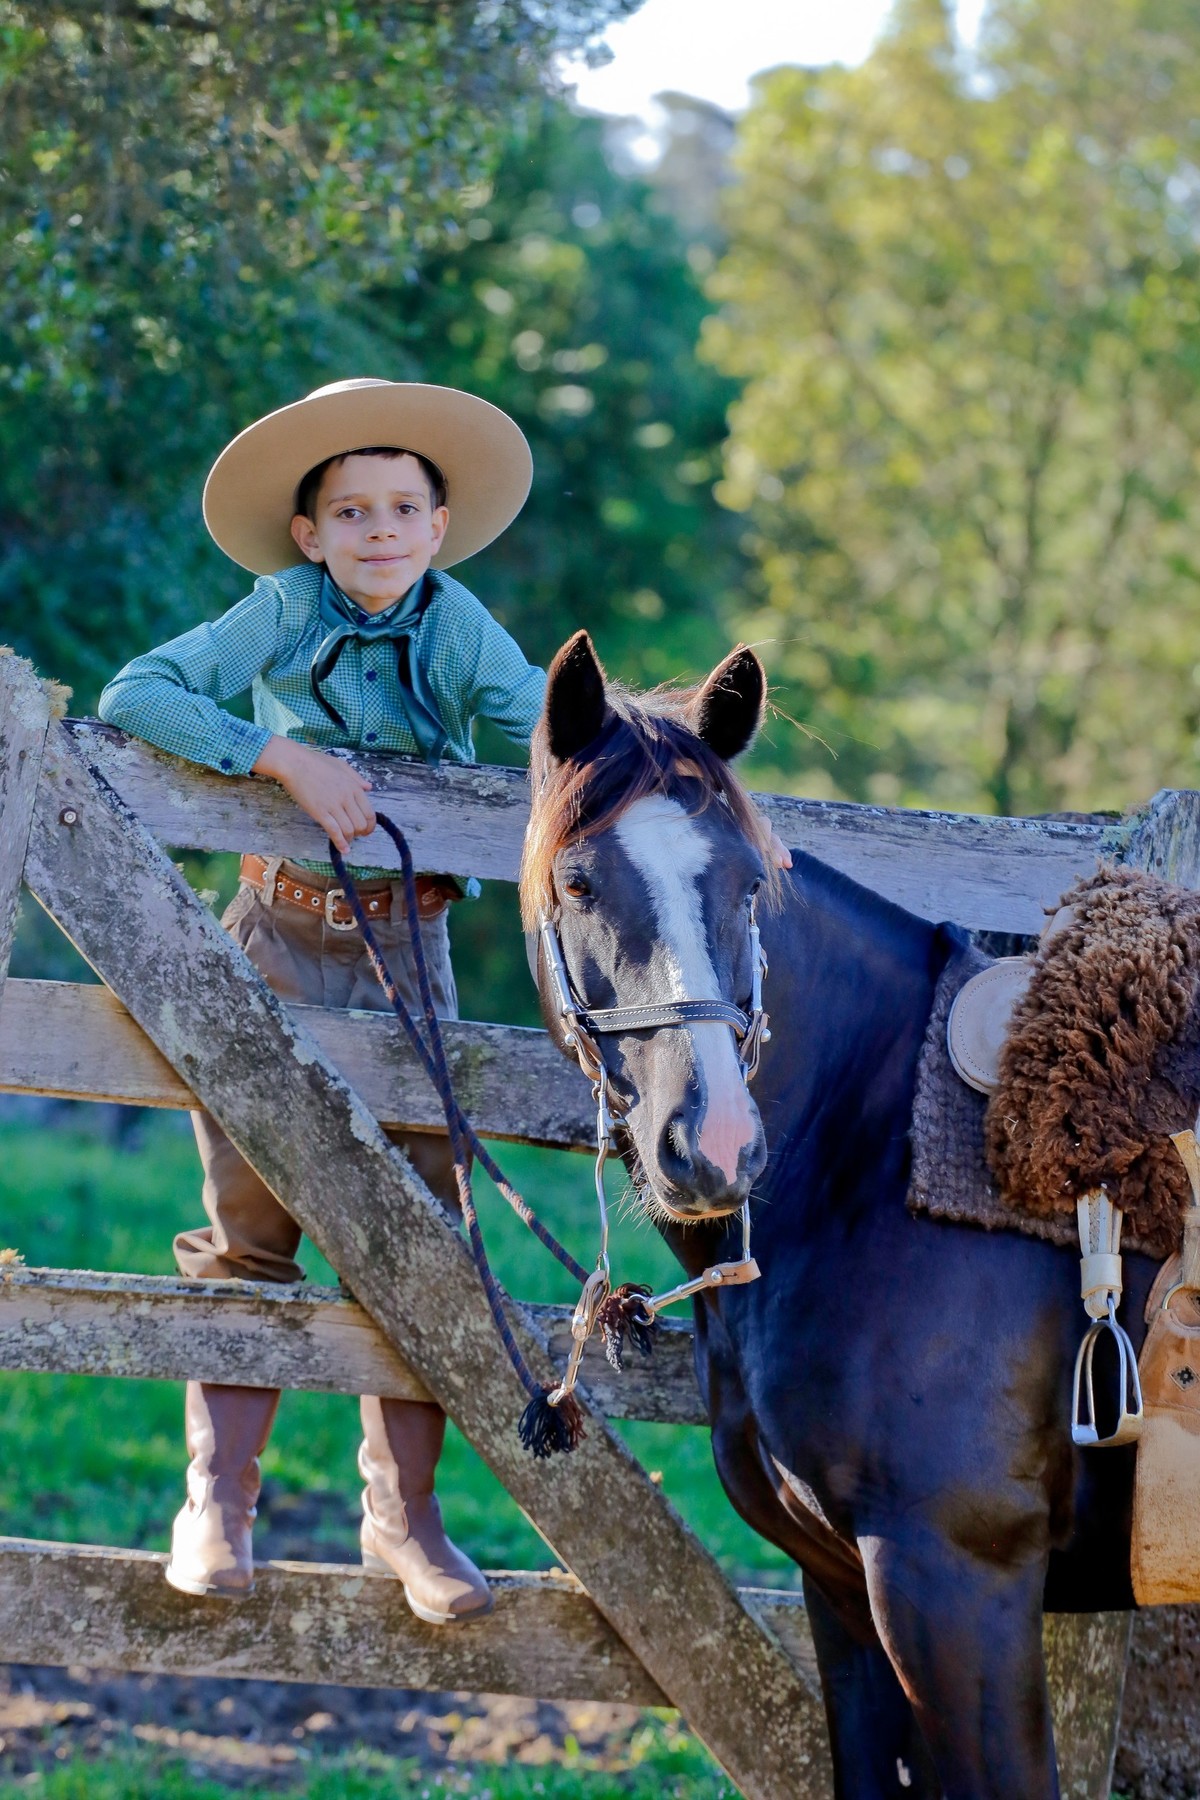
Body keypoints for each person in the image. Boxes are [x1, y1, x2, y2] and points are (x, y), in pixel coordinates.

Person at [99, 377, 546, 1624]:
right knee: (251, 1225)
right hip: (281, 936)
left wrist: (642, 743)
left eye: (403, 508)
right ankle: (217, 1502)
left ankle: (404, 1517)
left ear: (440, 525)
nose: (380, 531)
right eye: (352, 512)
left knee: (425, 1233)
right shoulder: (286, 607)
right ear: (310, 534)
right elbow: (138, 691)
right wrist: (280, 754)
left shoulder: (457, 625)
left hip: (412, 952)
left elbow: (539, 718)